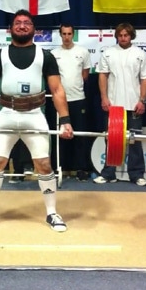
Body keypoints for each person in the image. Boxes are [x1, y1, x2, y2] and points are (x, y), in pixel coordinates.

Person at [0, 9, 74, 232]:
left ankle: (52, 213)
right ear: (11, 29)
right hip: (6, 114)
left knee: (44, 165)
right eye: (18, 23)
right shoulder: (0, 55)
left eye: (27, 23)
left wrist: (65, 120)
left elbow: (56, 90)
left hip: (35, 115)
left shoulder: (45, 56)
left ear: (34, 29)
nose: (22, 26)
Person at [93, 22, 146, 186]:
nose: (123, 38)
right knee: (111, 140)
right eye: (120, 35)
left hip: (134, 104)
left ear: (131, 36)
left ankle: (137, 175)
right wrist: (104, 98)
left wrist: (142, 100)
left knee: (134, 139)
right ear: (117, 36)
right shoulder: (108, 53)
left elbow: (145, 79)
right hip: (114, 105)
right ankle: (108, 174)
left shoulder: (140, 54)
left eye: (126, 35)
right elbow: (102, 76)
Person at [51, 24, 92, 181]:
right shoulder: (54, 54)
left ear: (73, 34)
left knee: (80, 135)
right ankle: (57, 168)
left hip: (78, 99)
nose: (67, 37)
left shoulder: (83, 52)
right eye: (64, 34)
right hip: (59, 101)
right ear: (60, 35)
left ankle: (81, 169)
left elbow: (85, 75)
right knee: (59, 135)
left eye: (69, 34)